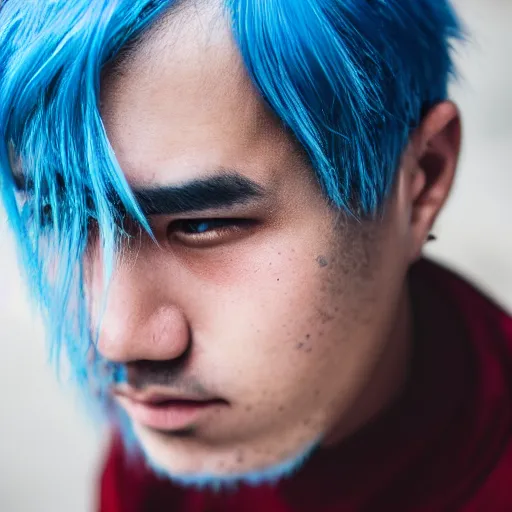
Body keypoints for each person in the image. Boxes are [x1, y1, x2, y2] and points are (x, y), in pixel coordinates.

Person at [1, 0, 512, 510]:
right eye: (53, 214)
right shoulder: (182, 424)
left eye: (202, 225)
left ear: (420, 179)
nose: (115, 338)